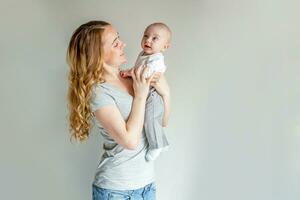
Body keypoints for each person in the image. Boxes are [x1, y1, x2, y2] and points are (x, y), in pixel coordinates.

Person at [66, 20, 171, 200]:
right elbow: (130, 141)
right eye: (115, 43)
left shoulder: (133, 77)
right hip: (116, 191)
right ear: (97, 54)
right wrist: (140, 95)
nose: (123, 44)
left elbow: (162, 122)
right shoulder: (99, 92)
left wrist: (166, 94)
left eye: (119, 38)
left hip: (147, 185)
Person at [120, 22, 171, 161]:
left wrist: (130, 72)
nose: (148, 40)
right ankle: (162, 142)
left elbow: (146, 73)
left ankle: (157, 145)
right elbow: (139, 68)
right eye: (146, 36)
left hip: (153, 95)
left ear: (165, 47)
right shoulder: (143, 54)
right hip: (146, 93)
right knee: (151, 120)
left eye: (155, 38)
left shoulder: (157, 58)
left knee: (151, 120)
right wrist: (130, 71)